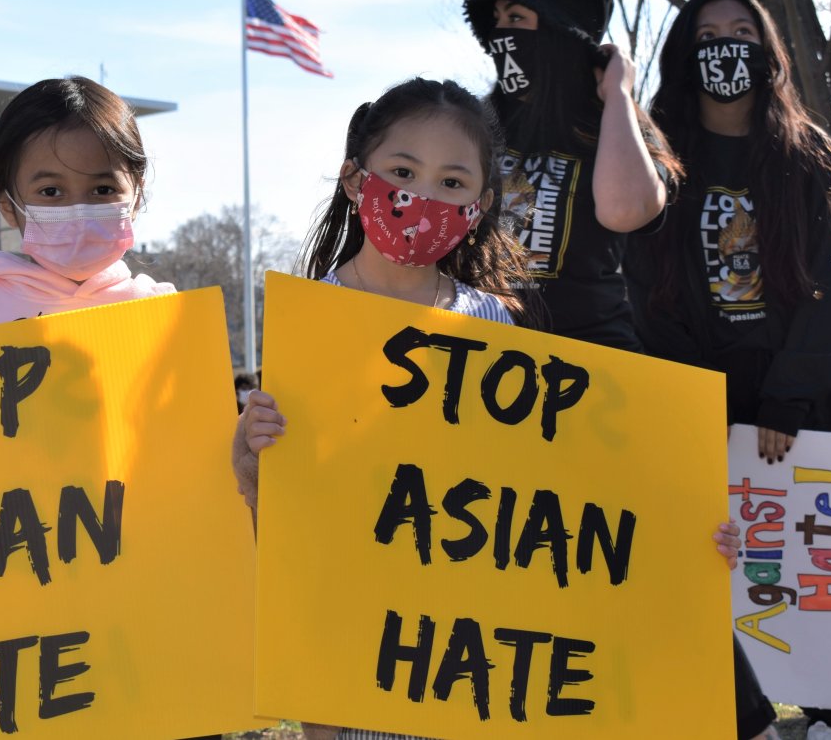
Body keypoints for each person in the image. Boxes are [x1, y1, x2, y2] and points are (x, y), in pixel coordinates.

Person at [233, 77, 738, 740]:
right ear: (356, 179)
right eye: (403, 171)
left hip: (478, 668)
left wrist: (683, 539)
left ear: (479, 204)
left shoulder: (492, 322)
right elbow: (294, 529)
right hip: (358, 664)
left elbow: (547, 497)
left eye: (451, 182)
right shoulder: (310, 326)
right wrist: (248, 463)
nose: (423, 196)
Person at [628, 0, 831, 740]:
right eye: (708, 34)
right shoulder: (656, 158)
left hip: (811, 401)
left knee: (816, 563)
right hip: (706, 405)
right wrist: (699, 400)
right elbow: (642, 292)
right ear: (682, 52)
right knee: (719, 567)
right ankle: (747, 718)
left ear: (767, 52)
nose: (725, 46)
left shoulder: (806, 154)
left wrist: (785, 398)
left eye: (742, 32)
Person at [461, 0, 681, 351]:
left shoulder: (616, 124)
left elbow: (626, 211)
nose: (502, 35)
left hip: (589, 355)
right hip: (477, 344)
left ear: (560, 32)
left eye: (516, 18)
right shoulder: (474, 123)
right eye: (496, 21)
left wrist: (617, 93)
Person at [0, 76, 173, 340]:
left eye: (103, 190)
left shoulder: (165, 314)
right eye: (51, 192)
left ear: (136, 196)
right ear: (8, 205)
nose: (78, 211)